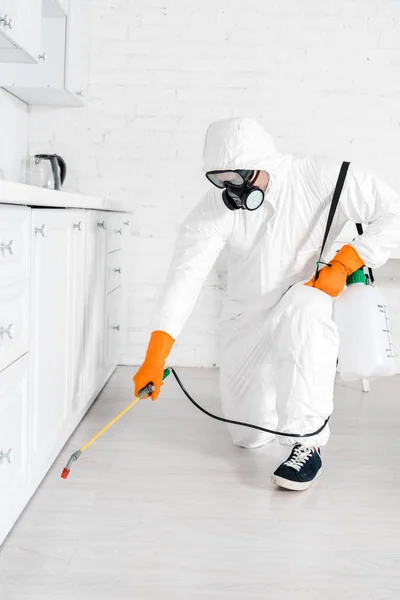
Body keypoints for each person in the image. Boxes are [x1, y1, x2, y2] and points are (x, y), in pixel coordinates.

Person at [134, 117, 400, 491]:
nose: (232, 190)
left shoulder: (324, 177)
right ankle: (280, 395)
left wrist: (345, 263)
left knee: (305, 313)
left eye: (238, 178)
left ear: (264, 165)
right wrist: (156, 352)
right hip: (248, 313)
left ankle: (306, 441)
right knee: (248, 435)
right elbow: (185, 275)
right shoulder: (217, 208)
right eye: (221, 180)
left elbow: (394, 212)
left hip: (307, 292)